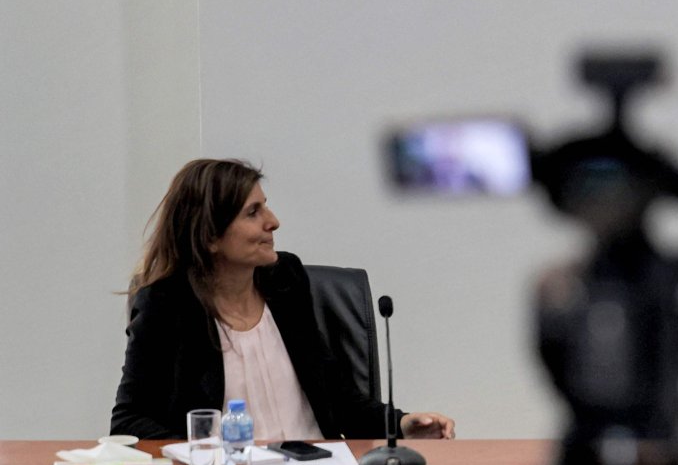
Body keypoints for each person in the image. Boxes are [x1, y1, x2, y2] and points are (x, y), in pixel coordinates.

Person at [111, 159, 454, 442]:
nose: (273, 222)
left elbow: (339, 399)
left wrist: (402, 424)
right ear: (210, 237)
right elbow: (128, 421)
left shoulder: (284, 280)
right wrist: (201, 454)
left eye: (266, 207)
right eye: (253, 212)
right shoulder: (167, 304)